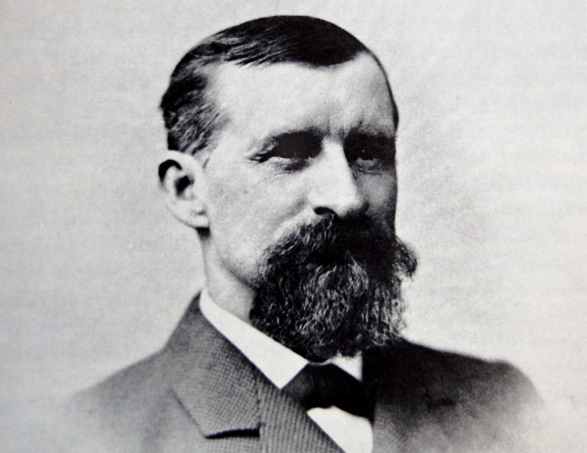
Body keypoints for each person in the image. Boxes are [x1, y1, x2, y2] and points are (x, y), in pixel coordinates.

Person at [67, 16, 541, 452]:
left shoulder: (504, 404)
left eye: (368, 152)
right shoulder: (92, 434)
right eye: (290, 152)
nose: (348, 198)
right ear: (187, 191)